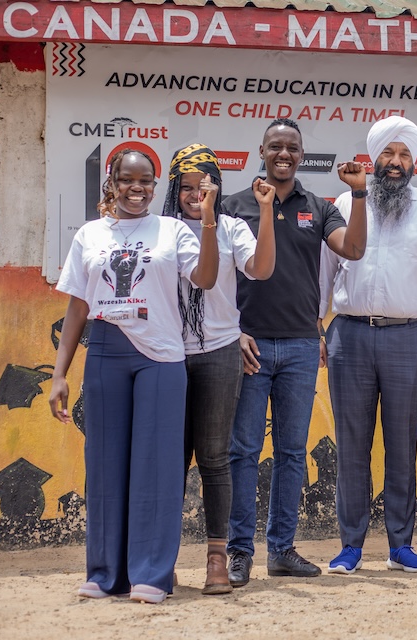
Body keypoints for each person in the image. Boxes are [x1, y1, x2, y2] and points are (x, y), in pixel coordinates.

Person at [49, 149, 220, 603]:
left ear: (155, 184)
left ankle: (151, 574)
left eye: (146, 181)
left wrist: (207, 223)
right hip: (106, 350)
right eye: (128, 180)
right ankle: (106, 574)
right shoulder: (89, 235)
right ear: (113, 182)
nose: (137, 188)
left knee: (157, 466)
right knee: (104, 466)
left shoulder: (172, 230)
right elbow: (78, 306)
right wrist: (59, 373)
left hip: (161, 356)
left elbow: (204, 278)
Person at [322, 116, 417, 575]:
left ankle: (400, 546)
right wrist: (317, 325)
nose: (394, 163)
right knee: (351, 444)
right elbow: (325, 272)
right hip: (349, 335)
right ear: (374, 159)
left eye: (403, 155)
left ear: (416, 162)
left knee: (402, 444)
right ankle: (350, 547)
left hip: (409, 337)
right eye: (387, 154)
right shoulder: (345, 201)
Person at [226, 118, 367, 587]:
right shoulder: (233, 206)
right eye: (275, 147)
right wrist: (232, 331)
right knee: (243, 451)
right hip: (247, 344)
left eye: (292, 148)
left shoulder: (321, 208)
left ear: (301, 156)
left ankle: (282, 550)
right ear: (261, 151)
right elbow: (219, 280)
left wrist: (360, 195)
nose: (283, 154)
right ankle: (238, 551)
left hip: (303, 346)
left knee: (290, 453)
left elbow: (354, 249)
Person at [161, 144, 276, 595]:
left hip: (218, 353)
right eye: (186, 187)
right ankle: (161, 557)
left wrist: (265, 212)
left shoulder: (230, 226)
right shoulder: (160, 230)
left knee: (214, 458)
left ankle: (215, 558)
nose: (195, 194)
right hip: (166, 355)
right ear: (173, 188)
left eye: (204, 185)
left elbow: (262, 269)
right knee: (170, 461)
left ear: (217, 185)